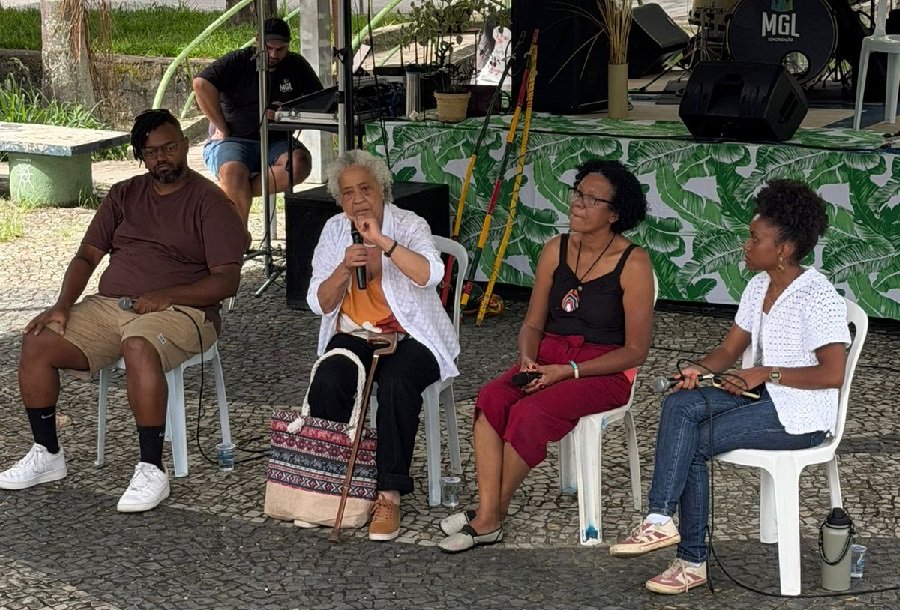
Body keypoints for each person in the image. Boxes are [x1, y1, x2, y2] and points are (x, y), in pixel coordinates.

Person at [609, 179, 851, 595]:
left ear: (784, 250)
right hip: (763, 397)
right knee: (680, 403)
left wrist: (767, 373)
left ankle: (690, 561)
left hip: (801, 413)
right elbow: (729, 349)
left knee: (697, 441)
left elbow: (833, 374)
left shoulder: (818, 296)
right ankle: (659, 520)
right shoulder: (759, 286)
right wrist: (698, 370)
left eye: (755, 238)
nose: (746, 244)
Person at [0, 109, 247, 513]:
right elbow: (86, 256)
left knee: (137, 344)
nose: (161, 158)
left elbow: (227, 281)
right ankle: (47, 453)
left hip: (186, 310)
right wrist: (60, 306)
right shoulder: (124, 194)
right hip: (111, 305)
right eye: (151, 152)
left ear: (185, 147)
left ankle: (152, 468)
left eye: (169, 147)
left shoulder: (210, 202)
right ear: (140, 156)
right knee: (37, 341)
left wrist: (167, 295)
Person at [438, 159, 655, 553]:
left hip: (603, 370)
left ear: (615, 213)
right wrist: (527, 359)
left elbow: (636, 351)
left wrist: (569, 371)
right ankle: (489, 515)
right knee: (491, 398)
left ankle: (487, 518)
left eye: (592, 199)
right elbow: (534, 324)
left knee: (529, 413)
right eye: (577, 193)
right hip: (549, 357)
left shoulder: (633, 262)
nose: (578, 204)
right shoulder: (555, 249)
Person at [304, 149, 459, 541]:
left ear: (382, 190)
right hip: (355, 333)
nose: (358, 199)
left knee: (396, 385)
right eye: (348, 193)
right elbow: (319, 303)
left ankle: (388, 492)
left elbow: (431, 274)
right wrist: (344, 268)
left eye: (365, 189)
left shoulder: (409, 224)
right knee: (329, 376)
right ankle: (330, 483)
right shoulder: (334, 231)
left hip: (412, 335)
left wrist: (383, 243)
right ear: (340, 199)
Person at [193, 16, 323, 226]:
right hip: (234, 139)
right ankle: (238, 236)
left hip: (277, 140)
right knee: (232, 171)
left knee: (299, 164)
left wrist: (288, 112)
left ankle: (233, 190)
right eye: (268, 48)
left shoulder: (296, 64)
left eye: (280, 49)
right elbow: (200, 84)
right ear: (257, 42)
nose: (273, 55)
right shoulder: (238, 61)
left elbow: (319, 100)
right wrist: (220, 126)